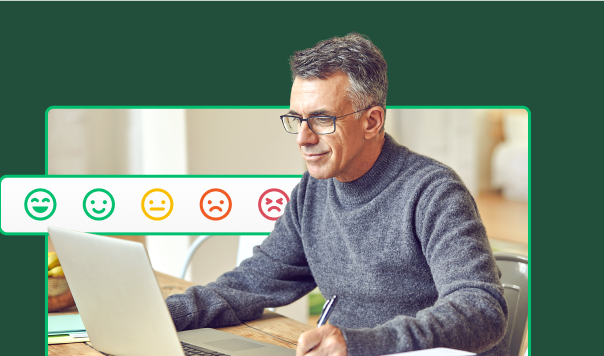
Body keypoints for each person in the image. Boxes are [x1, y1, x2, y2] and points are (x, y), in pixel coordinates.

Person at [166, 33, 509, 356]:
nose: (303, 138)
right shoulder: (313, 192)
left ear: (372, 121)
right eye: (296, 119)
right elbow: (251, 283)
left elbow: (481, 309)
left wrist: (363, 344)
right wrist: (160, 312)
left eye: (322, 119)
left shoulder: (434, 192)